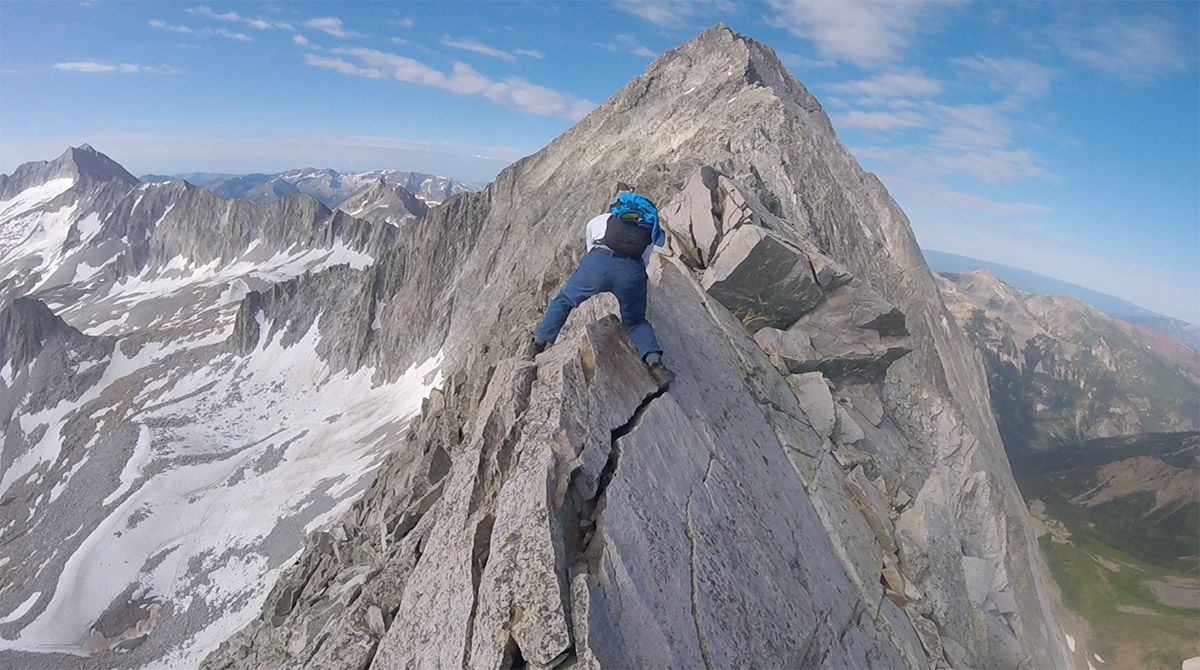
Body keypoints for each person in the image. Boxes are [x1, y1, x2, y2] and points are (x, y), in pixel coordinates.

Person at [529, 189, 675, 387]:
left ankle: (539, 344)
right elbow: (645, 260)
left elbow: (591, 248)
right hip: (631, 272)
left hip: (597, 264)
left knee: (564, 301)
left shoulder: (599, 220)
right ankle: (655, 364)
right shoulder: (646, 228)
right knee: (635, 321)